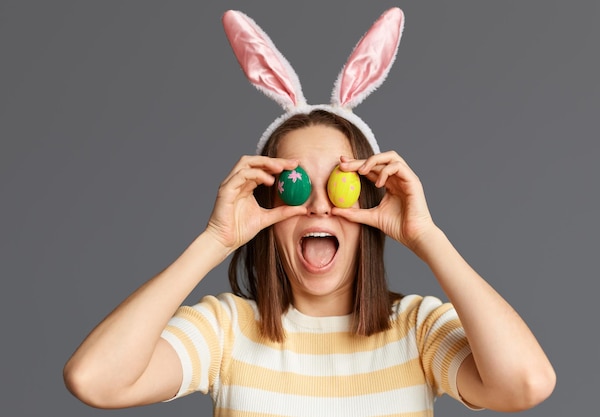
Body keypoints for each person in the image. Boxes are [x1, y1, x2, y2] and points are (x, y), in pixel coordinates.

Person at [64, 8, 556, 416]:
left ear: (368, 201)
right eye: (296, 186)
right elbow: (95, 381)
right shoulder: (227, 331)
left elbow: (526, 384)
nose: (320, 204)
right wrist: (214, 239)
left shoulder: (417, 330)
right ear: (269, 205)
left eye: (340, 187)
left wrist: (427, 236)